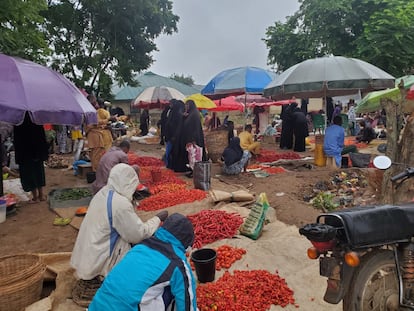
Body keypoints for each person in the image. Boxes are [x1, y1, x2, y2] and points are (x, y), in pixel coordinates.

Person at [71, 164, 168, 284]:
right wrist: (157, 219)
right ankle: (109, 275)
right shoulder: (120, 204)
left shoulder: (103, 193)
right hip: (99, 261)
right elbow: (137, 235)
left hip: (88, 254)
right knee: (137, 247)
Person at [88, 213, 197, 311]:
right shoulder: (178, 263)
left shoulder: (139, 248)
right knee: (177, 290)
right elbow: (188, 305)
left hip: (96, 306)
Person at [13, 113, 49, 203]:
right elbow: (42, 137)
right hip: (37, 151)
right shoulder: (36, 118)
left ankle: (35, 197)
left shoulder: (18, 120)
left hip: (25, 153)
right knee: (38, 171)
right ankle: (41, 195)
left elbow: (17, 140)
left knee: (29, 173)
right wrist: (43, 153)